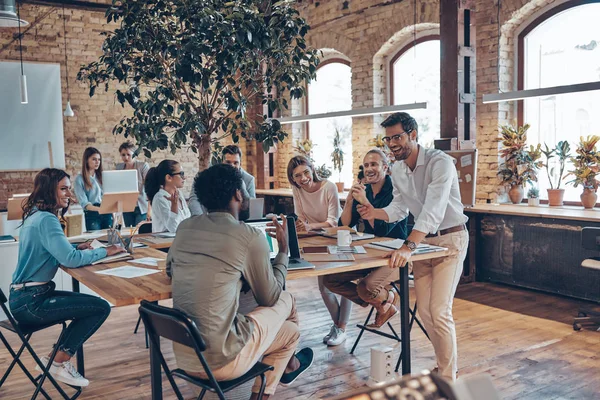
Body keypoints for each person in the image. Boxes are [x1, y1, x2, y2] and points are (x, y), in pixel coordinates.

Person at [167, 164, 313, 399]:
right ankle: (290, 366)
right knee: (287, 299)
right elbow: (269, 297)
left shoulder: (184, 228)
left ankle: (291, 365)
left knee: (290, 331)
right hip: (224, 360)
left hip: (187, 357)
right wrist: (283, 250)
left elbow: (170, 269)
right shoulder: (250, 235)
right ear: (237, 193)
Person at [356, 112, 469, 382]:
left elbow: (432, 211)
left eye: (397, 136)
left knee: (439, 311)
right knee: (427, 313)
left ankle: (448, 377)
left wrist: (407, 246)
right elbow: (398, 208)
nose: (392, 143)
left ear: (413, 135)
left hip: (450, 241)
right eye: (388, 138)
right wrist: (375, 212)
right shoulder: (396, 168)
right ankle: (444, 368)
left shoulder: (440, 163)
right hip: (425, 243)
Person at [9, 168, 125, 387]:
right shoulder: (46, 220)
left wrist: (73, 246)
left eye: (68, 188)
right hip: (32, 303)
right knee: (100, 307)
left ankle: (55, 360)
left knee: (92, 306)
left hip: (23, 298)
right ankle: (59, 360)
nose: (68, 194)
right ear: (48, 190)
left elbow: (55, 251)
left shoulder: (34, 215)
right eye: (63, 189)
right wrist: (106, 251)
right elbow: (70, 260)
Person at [323, 149, 409, 328]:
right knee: (330, 280)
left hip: (396, 255)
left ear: (385, 167)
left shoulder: (396, 191)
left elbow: (383, 230)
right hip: (371, 252)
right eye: (366, 165)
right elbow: (345, 225)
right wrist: (348, 201)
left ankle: (384, 298)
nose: (369, 169)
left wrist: (364, 201)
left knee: (366, 288)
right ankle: (384, 303)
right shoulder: (365, 190)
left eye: (374, 164)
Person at [287, 155, 350, 346]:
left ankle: (341, 328)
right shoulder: (297, 190)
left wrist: (309, 226)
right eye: (297, 176)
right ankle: (338, 326)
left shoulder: (328, 186)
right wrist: (306, 226)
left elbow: (333, 220)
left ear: (312, 169)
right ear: (293, 178)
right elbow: (300, 218)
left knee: (345, 282)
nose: (303, 178)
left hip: (337, 238)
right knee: (324, 288)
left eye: (306, 172)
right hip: (315, 240)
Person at [188, 144, 256, 216]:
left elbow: (252, 208)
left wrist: (242, 185)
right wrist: (200, 219)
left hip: (238, 220)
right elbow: (194, 198)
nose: (232, 166)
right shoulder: (208, 173)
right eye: (228, 162)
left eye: (236, 163)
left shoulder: (248, 179)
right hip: (209, 218)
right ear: (221, 162)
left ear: (240, 164)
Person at [144, 159, 191, 233]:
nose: (184, 177)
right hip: (165, 243)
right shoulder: (159, 198)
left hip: (182, 239)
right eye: (181, 174)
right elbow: (173, 228)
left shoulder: (179, 194)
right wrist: (174, 205)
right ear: (168, 178)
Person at [74, 147, 113, 230]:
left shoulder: (102, 177)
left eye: (99, 159)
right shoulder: (79, 179)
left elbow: (108, 196)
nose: (97, 162)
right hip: (92, 214)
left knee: (109, 240)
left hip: (106, 212)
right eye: (94, 159)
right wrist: (100, 209)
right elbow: (84, 203)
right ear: (86, 160)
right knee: (95, 240)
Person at [115, 141, 150, 227]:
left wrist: (150, 209)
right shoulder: (119, 168)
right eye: (123, 155)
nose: (126, 157)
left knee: (139, 232)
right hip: (127, 206)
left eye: (128, 154)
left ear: (134, 154)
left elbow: (149, 187)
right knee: (128, 233)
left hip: (141, 206)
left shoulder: (143, 166)